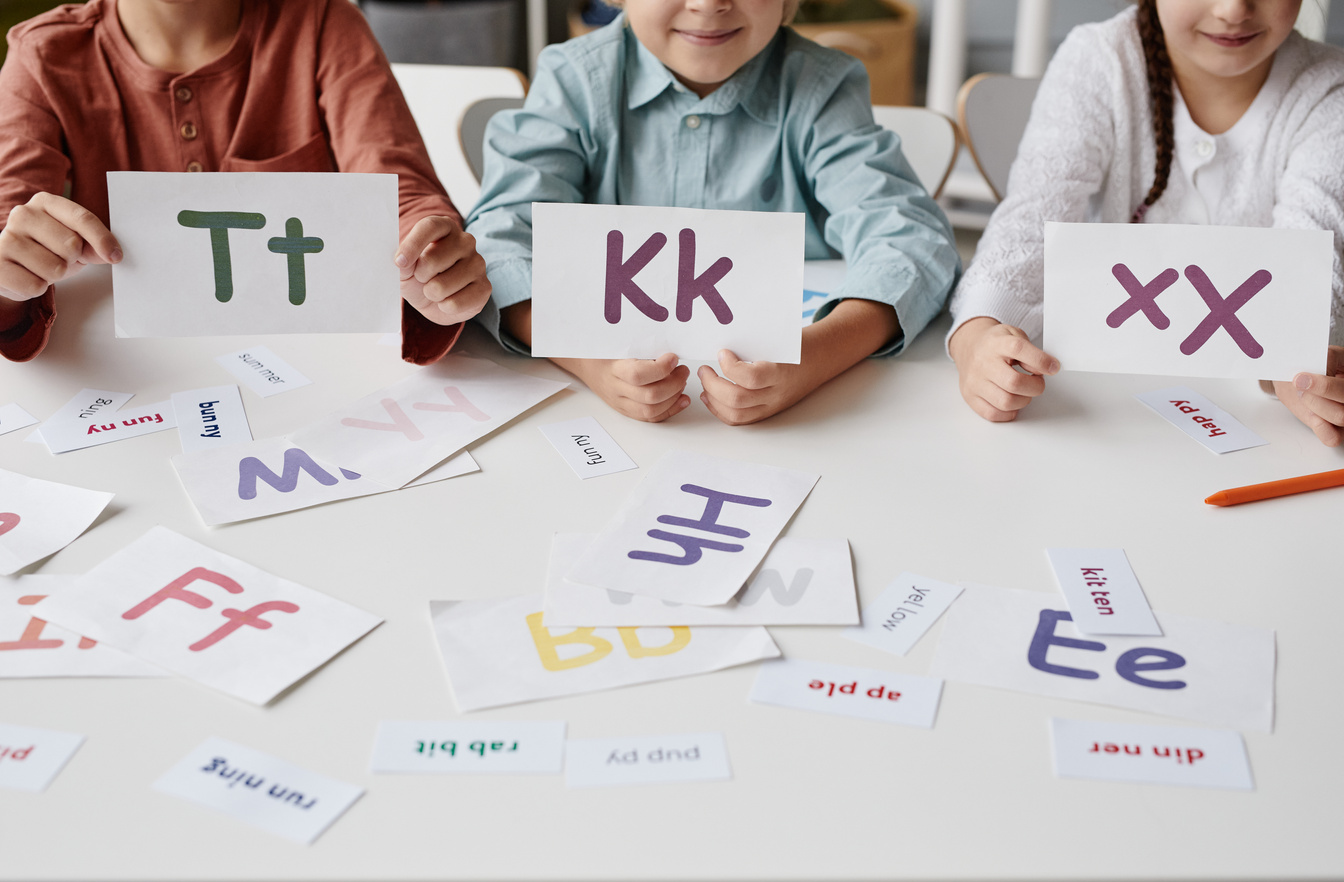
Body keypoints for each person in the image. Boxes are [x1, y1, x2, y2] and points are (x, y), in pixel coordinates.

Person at [465, 0, 959, 424]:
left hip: (802, 409)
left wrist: (814, 357)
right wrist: (588, 360)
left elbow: (912, 241)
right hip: (597, 402)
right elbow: (498, 241)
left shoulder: (821, 87)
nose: (709, 3)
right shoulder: (575, 79)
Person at [0, 0, 489, 365]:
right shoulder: (42, 55)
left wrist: (431, 263)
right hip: (135, 370)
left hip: (321, 362)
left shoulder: (322, 22)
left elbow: (399, 185)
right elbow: (9, 214)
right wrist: (9, 274)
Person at [948, 0, 1344, 445]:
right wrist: (976, 333)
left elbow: (1313, 250)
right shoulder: (1099, 60)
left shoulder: (1332, 89)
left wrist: (1296, 365)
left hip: (1250, 420)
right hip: (1103, 414)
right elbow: (1031, 218)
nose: (1234, 10)